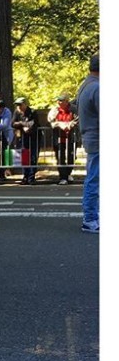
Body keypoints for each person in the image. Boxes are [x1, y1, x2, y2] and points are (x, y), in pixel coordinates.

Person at [76, 54, 99, 233]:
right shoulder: (97, 88)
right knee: (95, 179)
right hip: (99, 138)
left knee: (94, 178)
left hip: (91, 137)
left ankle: (91, 217)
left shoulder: (85, 85)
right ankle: (91, 219)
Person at [47, 94, 78, 185]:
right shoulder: (54, 109)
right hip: (59, 138)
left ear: (67, 101)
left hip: (71, 137)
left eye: (61, 100)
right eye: (58, 100)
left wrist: (70, 125)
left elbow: (77, 119)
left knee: (71, 157)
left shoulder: (73, 109)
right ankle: (63, 177)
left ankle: (68, 174)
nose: (59, 102)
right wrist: (60, 124)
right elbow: (51, 120)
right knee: (60, 158)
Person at [11, 97, 39, 185]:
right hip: (23, 137)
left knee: (33, 157)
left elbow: (32, 124)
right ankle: (25, 176)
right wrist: (23, 125)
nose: (18, 107)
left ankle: (31, 177)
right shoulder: (17, 112)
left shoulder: (32, 112)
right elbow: (13, 123)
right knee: (24, 157)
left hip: (34, 137)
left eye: (20, 105)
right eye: (17, 105)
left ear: (25, 104)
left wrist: (20, 123)